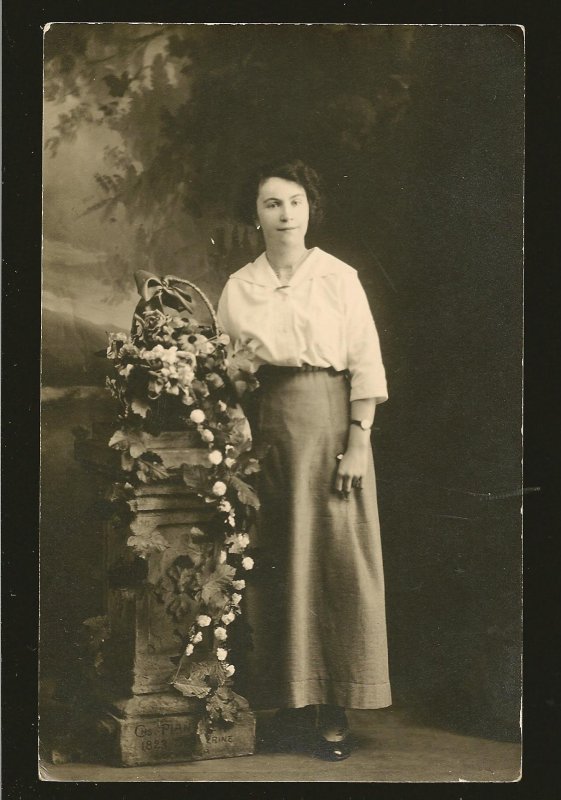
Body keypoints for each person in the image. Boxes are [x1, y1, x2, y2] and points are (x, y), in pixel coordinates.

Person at [217, 159, 391, 761]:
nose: (285, 213)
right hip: (266, 430)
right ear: (256, 215)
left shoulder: (338, 277)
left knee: (335, 558)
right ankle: (290, 704)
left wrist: (359, 438)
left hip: (330, 421)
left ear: (311, 208)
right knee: (278, 557)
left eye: (295, 201)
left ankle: (335, 707)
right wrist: (238, 427)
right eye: (272, 203)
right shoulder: (241, 285)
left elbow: (365, 360)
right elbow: (229, 372)